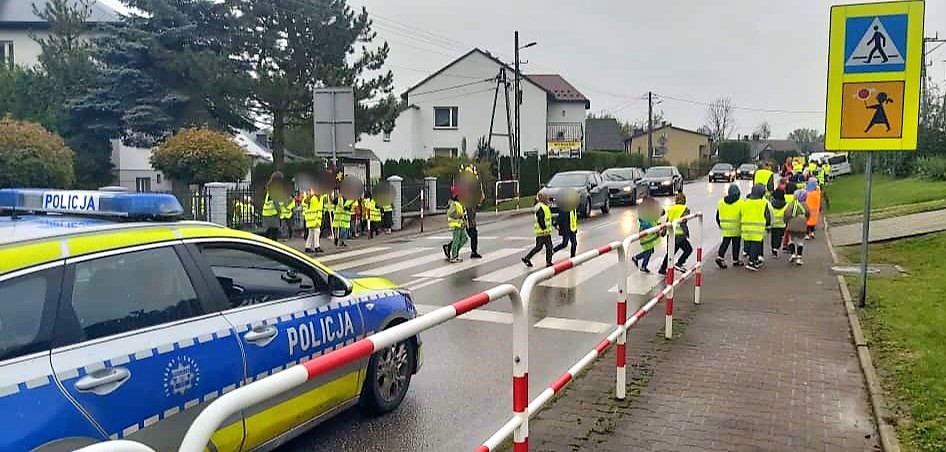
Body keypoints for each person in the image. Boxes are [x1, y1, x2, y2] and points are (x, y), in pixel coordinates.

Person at [658, 192, 693, 276]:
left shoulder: (671, 209)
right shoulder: (685, 209)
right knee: (688, 249)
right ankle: (679, 263)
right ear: (684, 200)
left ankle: (662, 268)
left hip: (671, 234)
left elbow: (667, 222)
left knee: (670, 252)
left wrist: (663, 232)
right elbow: (684, 221)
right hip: (680, 234)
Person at [740, 184, 772, 271]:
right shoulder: (763, 203)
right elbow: (767, 216)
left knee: (749, 244)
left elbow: (740, 213)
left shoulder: (745, 202)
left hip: (746, 227)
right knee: (755, 245)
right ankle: (751, 262)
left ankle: (752, 259)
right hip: (757, 228)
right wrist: (768, 226)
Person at [522, 192, 554, 268]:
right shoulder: (541, 207)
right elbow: (541, 218)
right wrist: (544, 227)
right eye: (546, 197)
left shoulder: (541, 206)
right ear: (542, 198)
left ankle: (527, 258)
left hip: (542, 232)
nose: (547, 198)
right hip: (543, 232)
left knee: (539, 247)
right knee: (549, 247)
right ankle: (548, 262)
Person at [715, 184, 743, 269]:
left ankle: (720, 256)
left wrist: (720, 224)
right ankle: (735, 260)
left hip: (725, 228)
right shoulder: (740, 202)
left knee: (725, 242)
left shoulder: (721, 202)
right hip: (737, 227)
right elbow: (743, 215)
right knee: (736, 244)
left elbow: (717, 215)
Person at [631, 196, 662, 273]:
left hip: (649, 234)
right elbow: (646, 224)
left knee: (649, 250)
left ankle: (636, 258)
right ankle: (643, 266)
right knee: (648, 251)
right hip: (646, 235)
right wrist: (653, 228)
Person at [785, 189, 810, 265]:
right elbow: (808, 214)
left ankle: (792, 254)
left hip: (792, 223)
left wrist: (786, 221)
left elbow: (787, 213)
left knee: (791, 240)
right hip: (802, 224)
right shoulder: (805, 205)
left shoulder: (792, 204)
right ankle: (799, 258)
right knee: (800, 242)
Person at [260, 172, 286, 241]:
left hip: (266, 213)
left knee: (269, 233)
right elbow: (276, 202)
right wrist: (279, 212)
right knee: (273, 235)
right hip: (273, 214)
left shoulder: (270, 187)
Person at [445, 187, 468, 263]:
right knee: (456, 240)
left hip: (461, 225)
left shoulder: (459, 203)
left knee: (464, 239)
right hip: (456, 225)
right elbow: (449, 214)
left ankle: (455, 254)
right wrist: (459, 215)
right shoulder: (454, 204)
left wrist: (465, 222)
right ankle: (454, 256)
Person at [767, 188, 789, 258]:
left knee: (773, 237)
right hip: (782, 224)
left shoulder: (771, 204)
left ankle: (774, 250)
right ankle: (777, 247)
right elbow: (787, 214)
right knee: (779, 237)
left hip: (773, 223)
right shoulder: (786, 204)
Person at [303, 187, 325, 253]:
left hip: (317, 217)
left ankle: (307, 247)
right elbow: (305, 201)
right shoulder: (310, 195)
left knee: (312, 232)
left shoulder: (321, 196)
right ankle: (316, 246)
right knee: (317, 231)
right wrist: (311, 195)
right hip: (312, 217)